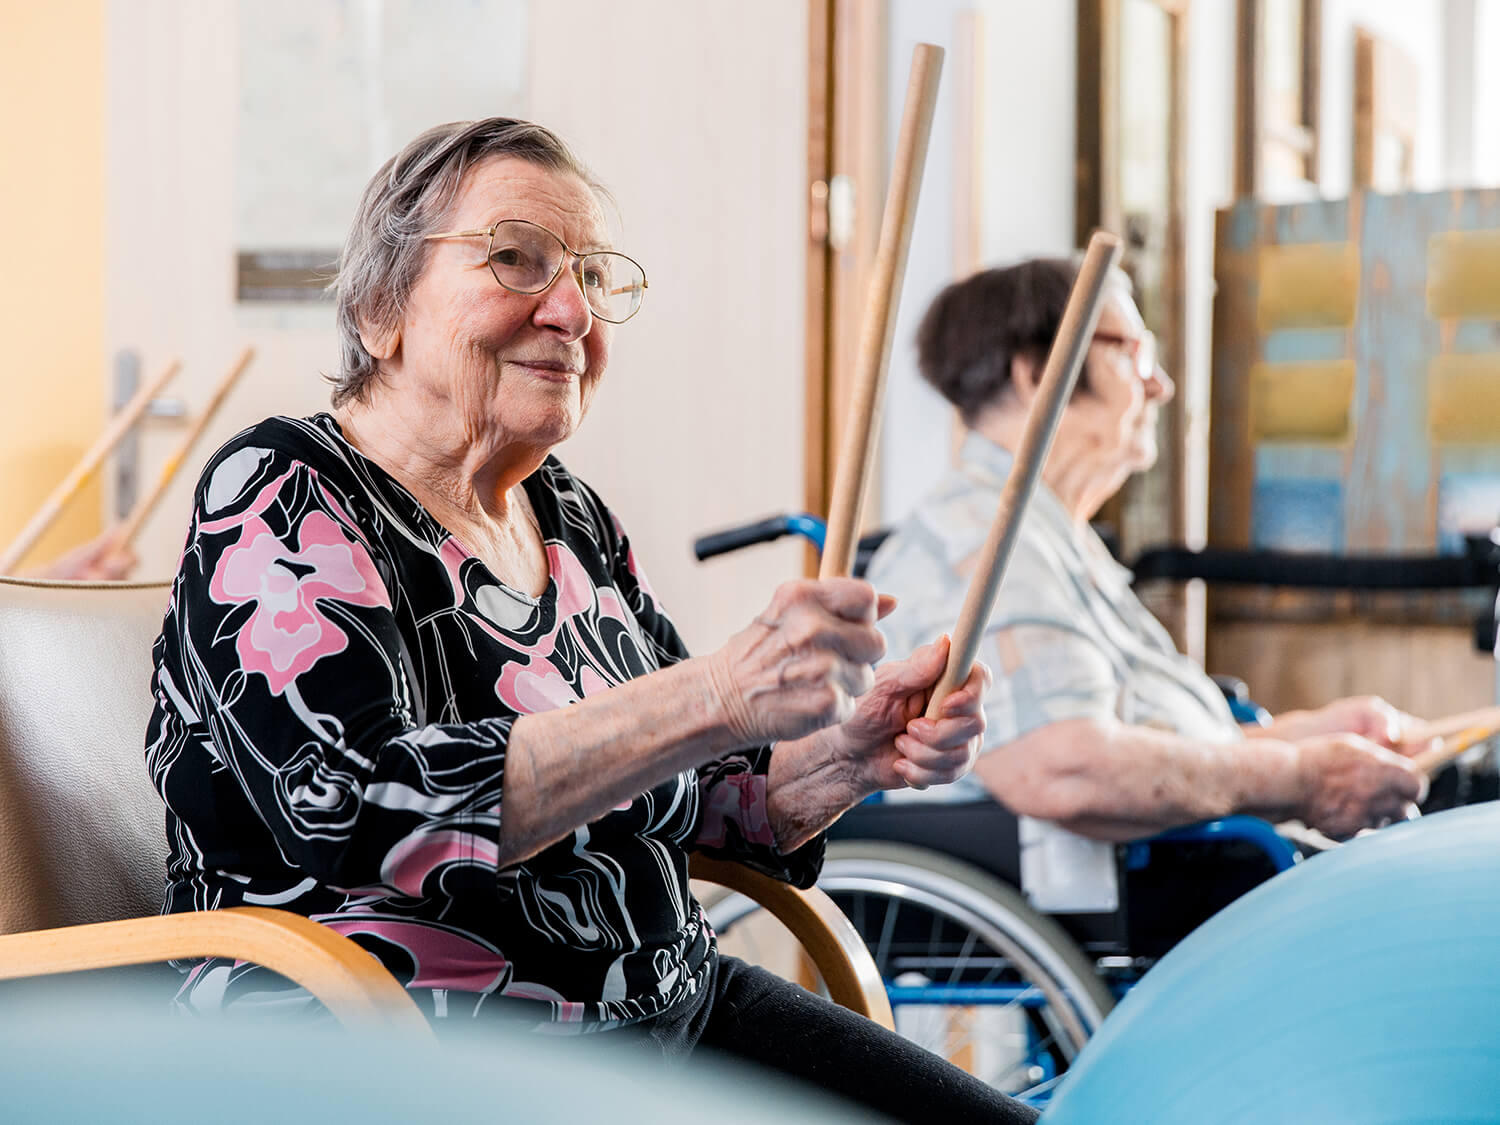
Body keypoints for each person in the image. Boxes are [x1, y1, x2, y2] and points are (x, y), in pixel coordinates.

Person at [144, 118, 1033, 1123]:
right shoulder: (282, 493)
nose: (571, 310)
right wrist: (715, 694)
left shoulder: (566, 511)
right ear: (382, 304)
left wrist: (845, 758)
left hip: (663, 1018)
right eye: (516, 259)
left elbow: (700, 788)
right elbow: (351, 807)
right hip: (393, 1056)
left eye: (593, 275)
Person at [867, 257, 1430, 849]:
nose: (1160, 384)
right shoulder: (985, 543)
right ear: (1039, 373)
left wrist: (1305, 739)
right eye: (1135, 352)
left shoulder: (1053, 537)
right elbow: (1066, 767)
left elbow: (1141, 730)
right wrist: (1304, 778)